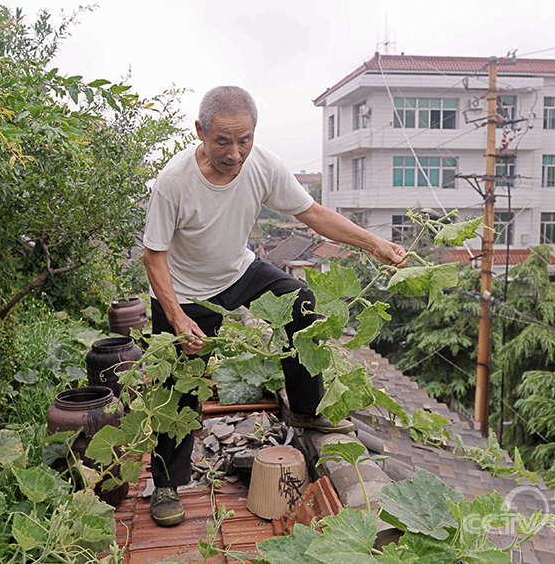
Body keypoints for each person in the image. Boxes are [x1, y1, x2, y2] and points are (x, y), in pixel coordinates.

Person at [141, 86, 406, 527]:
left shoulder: (262, 166)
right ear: (200, 132)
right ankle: (168, 483)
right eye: (223, 140)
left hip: (238, 271)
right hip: (185, 291)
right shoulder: (174, 182)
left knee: (299, 300)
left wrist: (373, 243)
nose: (234, 151)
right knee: (178, 386)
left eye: (244, 139)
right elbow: (154, 255)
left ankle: (306, 411)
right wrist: (177, 315)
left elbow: (313, 213)